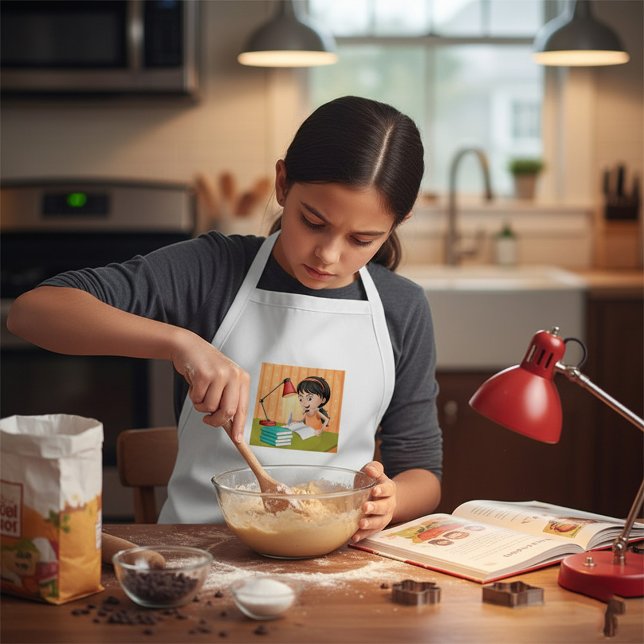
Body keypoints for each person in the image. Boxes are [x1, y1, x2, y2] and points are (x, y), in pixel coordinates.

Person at [7, 95, 442, 541]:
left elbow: (422, 473)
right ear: (282, 183)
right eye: (312, 221)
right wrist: (182, 344)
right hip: (197, 549)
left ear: (398, 222)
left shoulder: (400, 307)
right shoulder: (212, 269)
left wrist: (390, 500)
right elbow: (33, 312)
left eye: (362, 239)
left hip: (334, 554)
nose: (328, 255)